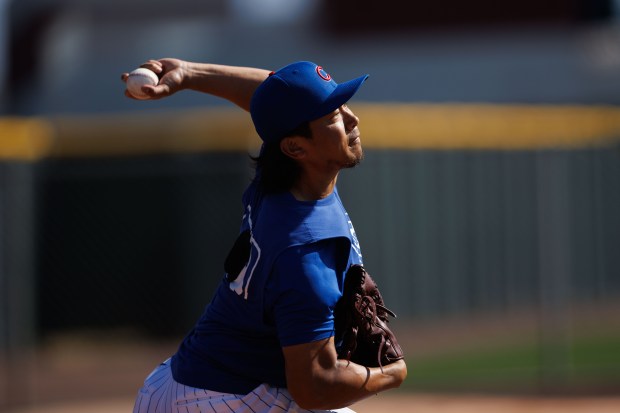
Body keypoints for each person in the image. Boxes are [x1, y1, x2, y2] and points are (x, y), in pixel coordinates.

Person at [121, 58, 407, 413]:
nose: (352, 119)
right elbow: (314, 387)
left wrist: (190, 74)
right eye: (332, 115)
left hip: (205, 380)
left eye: (341, 104)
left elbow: (272, 97)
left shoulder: (282, 182)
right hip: (218, 399)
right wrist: (392, 373)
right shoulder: (304, 256)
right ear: (295, 147)